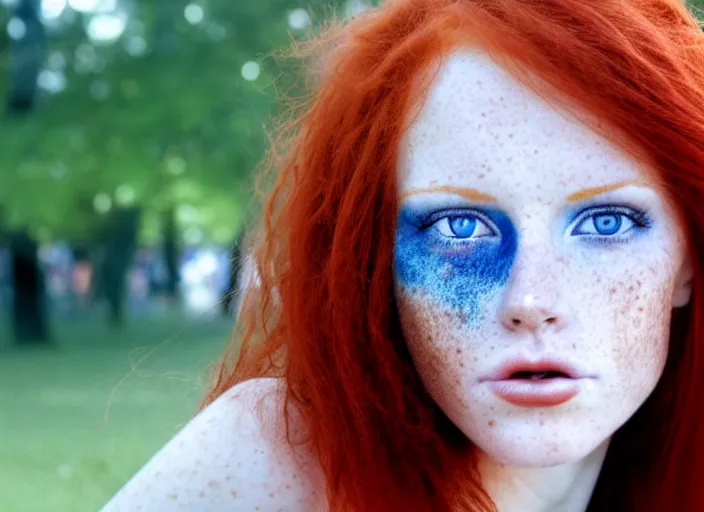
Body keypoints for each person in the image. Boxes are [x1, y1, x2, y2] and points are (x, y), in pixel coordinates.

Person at [102, 0, 704, 510]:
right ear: (375, 259)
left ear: (688, 259)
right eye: (460, 226)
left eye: (606, 221)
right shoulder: (277, 462)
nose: (531, 301)